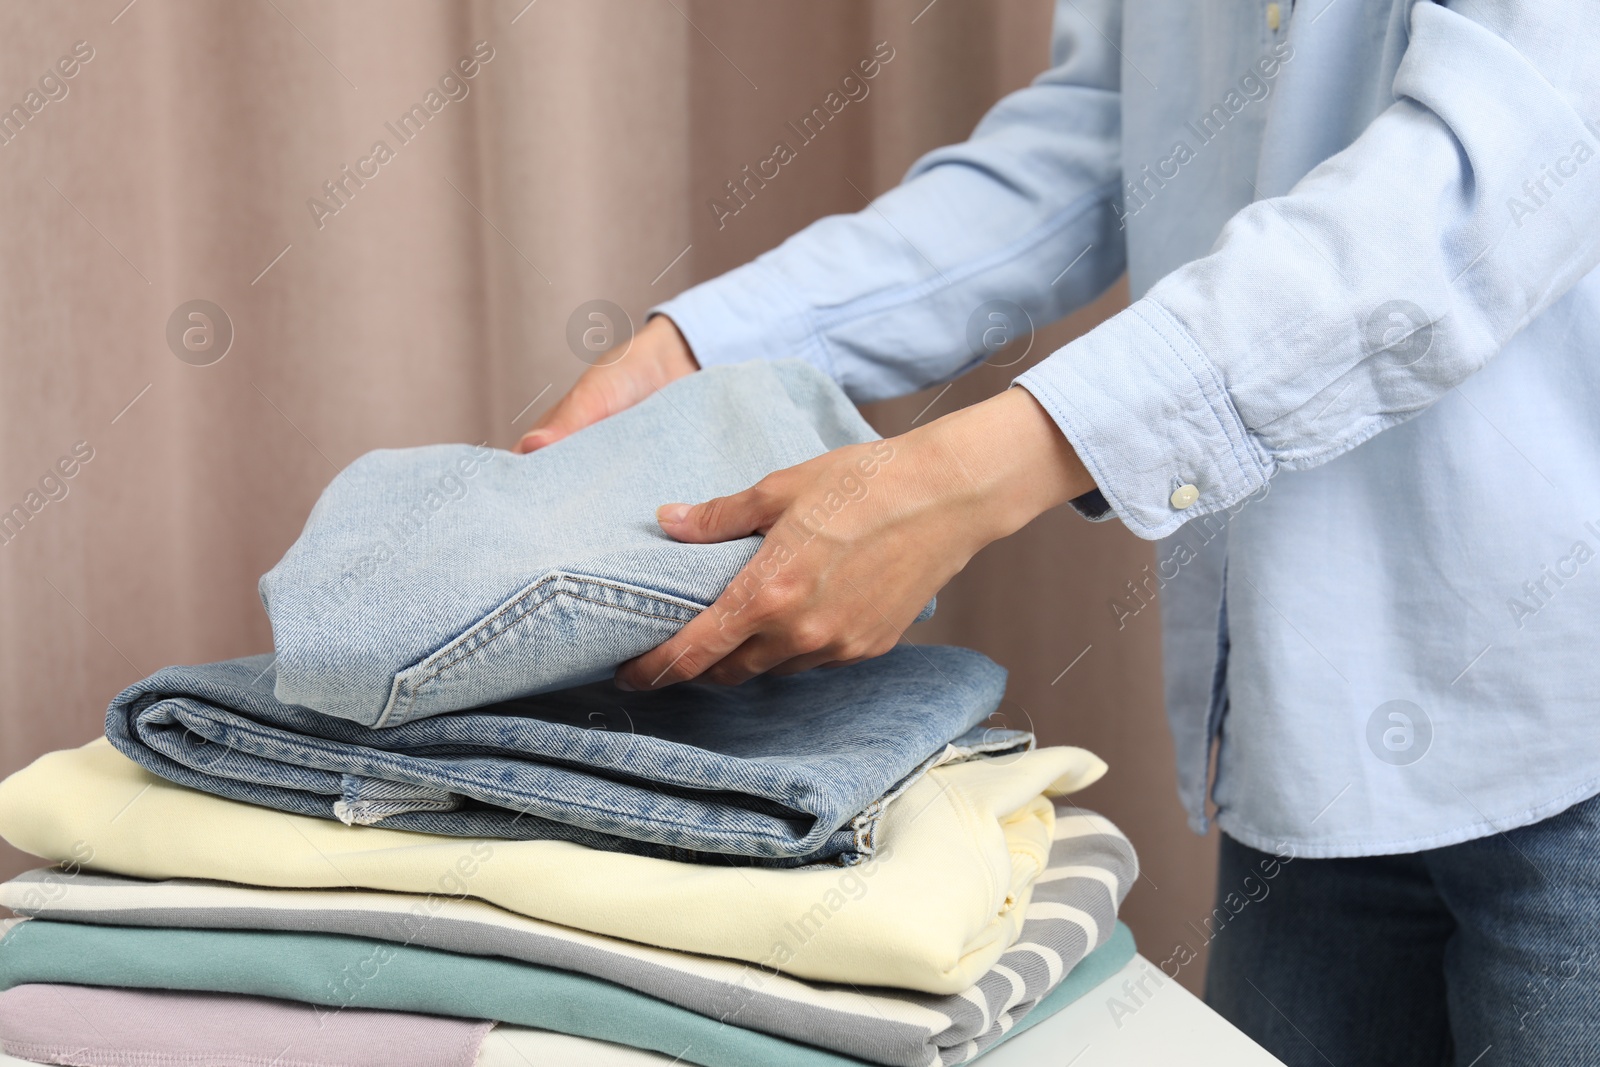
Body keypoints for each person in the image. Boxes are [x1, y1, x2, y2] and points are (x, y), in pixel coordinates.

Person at [518, 2, 1600, 1063]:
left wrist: (974, 475)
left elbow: (1480, 184)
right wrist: (699, 348)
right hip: (1310, 722)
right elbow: (1096, 140)